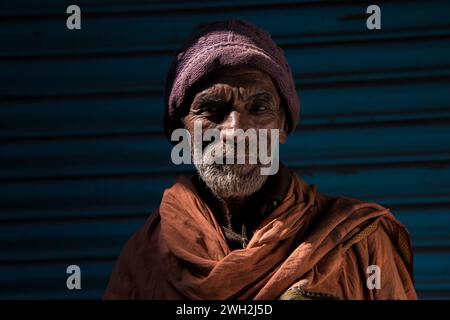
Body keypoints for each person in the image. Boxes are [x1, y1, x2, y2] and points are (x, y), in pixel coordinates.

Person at [104, 20, 417, 300]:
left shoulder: (359, 242)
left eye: (258, 108)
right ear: (180, 130)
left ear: (283, 126)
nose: (236, 131)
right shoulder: (146, 256)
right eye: (213, 109)